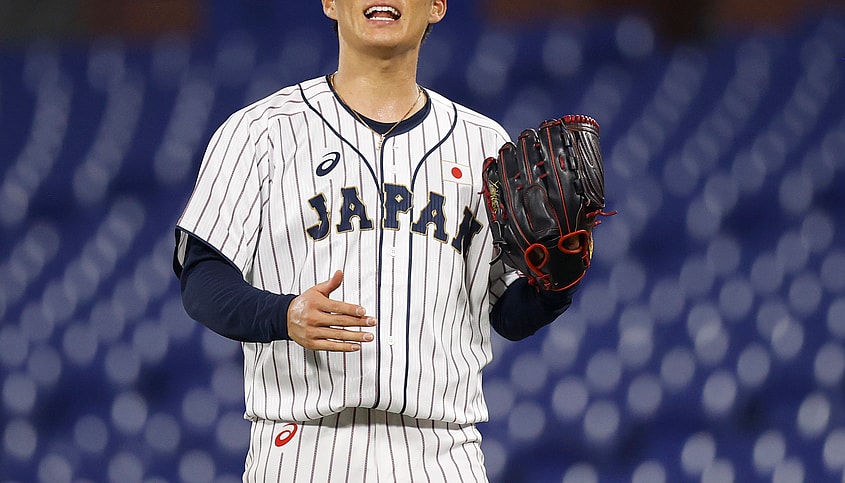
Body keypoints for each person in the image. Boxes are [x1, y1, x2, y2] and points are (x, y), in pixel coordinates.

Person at [173, 0, 578, 480]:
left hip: (442, 452)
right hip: (301, 448)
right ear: (329, 2)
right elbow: (203, 282)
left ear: (437, 6)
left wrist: (557, 281)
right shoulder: (261, 132)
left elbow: (507, 313)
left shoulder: (485, 145)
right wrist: (282, 315)